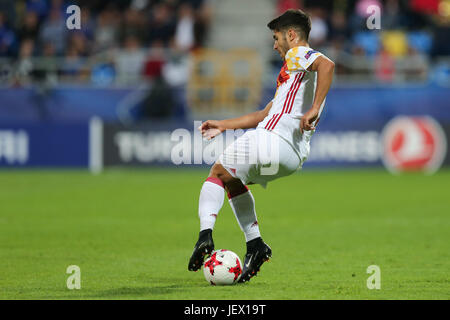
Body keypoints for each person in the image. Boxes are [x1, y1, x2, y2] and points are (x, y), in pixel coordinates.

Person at [188, 9, 335, 283]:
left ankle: (204, 236)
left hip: (272, 140)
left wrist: (314, 108)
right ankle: (255, 246)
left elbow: (327, 64)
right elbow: (263, 113)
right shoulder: (293, 78)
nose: (275, 44)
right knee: (232, 181)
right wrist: (223, 125)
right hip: (291, 156)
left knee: (217, 173)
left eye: (277, 37)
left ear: (291, 35)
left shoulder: (297, 54)